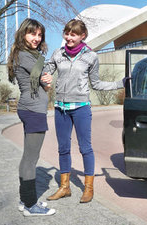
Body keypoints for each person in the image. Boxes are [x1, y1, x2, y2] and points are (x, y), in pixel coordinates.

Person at [41, 19, 125, 203]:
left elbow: (96, 84)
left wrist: (120, 84)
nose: (68, 37)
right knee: (63, 149)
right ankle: (65, 187)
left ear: (82, 36)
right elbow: (45, 72)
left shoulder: (91, 56)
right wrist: (43, 76)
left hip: (81, 108)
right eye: (67, 33)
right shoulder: (58, 53)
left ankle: (88, 188)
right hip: (61, 108)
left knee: (85, 148)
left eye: (73, 34)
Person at [7, 18, 56, 216]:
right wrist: (46, 74)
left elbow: (41, 80)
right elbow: (40, 73)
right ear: (23, 34)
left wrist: (47, 80)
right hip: (33, 109)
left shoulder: (29, 54)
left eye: (39, 34)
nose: (36, 38)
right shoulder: (24, 54)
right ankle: (29, 205)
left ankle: (25, 199)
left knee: (29, 157)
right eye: (32, 33)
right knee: (30, 158)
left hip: (32, 107)